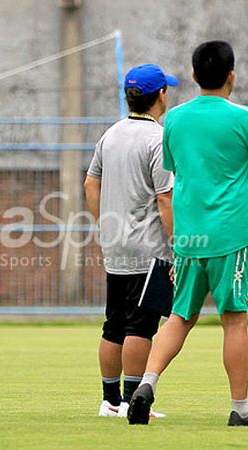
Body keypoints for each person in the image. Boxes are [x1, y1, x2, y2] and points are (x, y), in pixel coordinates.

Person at [126, 41, 248, 427]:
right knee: (234, 318)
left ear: (193, 76)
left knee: (179, 316)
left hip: (189, 235)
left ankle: (146, 384)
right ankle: (240, 409)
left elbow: (176, 167)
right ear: (232, 75)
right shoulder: (246, 118)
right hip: (230, 235)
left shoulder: (174, 119)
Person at [84, 64, 177, 418]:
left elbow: (91, 183)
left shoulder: (111, 134)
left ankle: (109, 402)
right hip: (149, 249)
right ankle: (131, 401)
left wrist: (105, 223)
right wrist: (177, 243)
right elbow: (165, 198)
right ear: (161, 96)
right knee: (142, 325)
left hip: (116, 245)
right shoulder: (158, 138)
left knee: (114, 324)